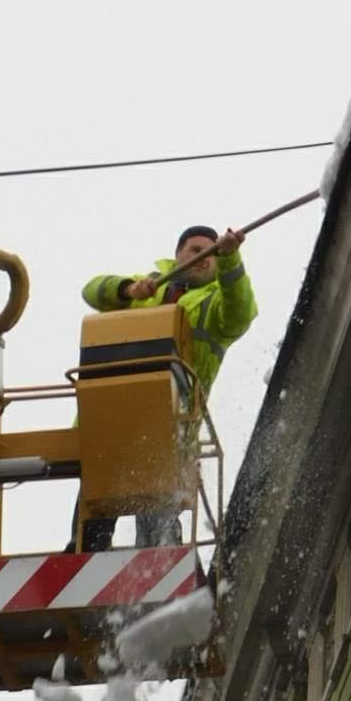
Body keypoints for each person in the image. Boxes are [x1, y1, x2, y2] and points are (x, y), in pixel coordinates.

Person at [78, 226, 257, 547]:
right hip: (110, 421)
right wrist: (128, 289)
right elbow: (91, 290)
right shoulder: (148, 289)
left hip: (172, 427)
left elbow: (241, 312)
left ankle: (158, 565)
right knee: (91, 525)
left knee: (156, 530)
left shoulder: (215, 302)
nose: (203, 256)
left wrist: (230, 259)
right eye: (194, 249)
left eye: (210, 251)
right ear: (178, 255)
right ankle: (84, 556)